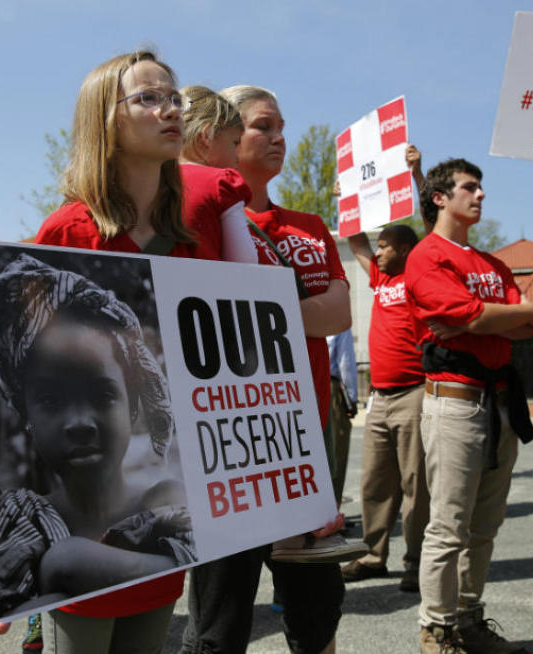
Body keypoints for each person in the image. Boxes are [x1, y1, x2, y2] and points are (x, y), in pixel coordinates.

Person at [0, 50, 199, 653]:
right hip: (83, 589)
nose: (170, 109)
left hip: (170, 567)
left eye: (175, 97)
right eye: (148, 97)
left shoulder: (196, 237)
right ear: (104, 119)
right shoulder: (67, 232)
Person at [181, 84, 356, 654]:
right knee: (221, 618)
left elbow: (339, 311)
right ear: (222, 133)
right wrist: (293, 312)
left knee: (316, 608)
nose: (279, 137)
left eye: (282, 125)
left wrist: (263, 312)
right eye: (262, 127)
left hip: (304, 433)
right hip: (229, 439)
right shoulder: (191, 215)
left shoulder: (307, 225)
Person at [0, 253, 197, 623]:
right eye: (51, 400)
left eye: (102, 395)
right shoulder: (18, 522)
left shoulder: (165, 504)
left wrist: (71, 561)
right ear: (25, 414)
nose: (80, 422)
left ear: (132, 407)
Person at [405, 159, 533, 654]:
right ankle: (435, 630)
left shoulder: (491, 262)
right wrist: (490, 316)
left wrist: (497, 317)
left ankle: (467, 620)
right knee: (448, 525)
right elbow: (463, 312)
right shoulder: (426, 256)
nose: (480, 195)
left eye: (481, 188)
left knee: (485, 525)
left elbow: (530, 322)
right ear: (439, 197)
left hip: (501, 403)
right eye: (469, 187)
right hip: (455, 402)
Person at [341, 221, 429, 594]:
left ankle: (417, 563)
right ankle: (373, 557)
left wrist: (416, 175)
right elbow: (357, 241)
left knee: (416, 485)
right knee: (374, 483)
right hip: (381, 396)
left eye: (387, 246)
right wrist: (349, 203)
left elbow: (433, 234)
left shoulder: (421, 278)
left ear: (408, 250)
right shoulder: (381, 279)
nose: (378, 251)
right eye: (379, 245)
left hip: (415, 392)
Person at [178, 84, 256, 264]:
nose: (237, 156)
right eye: (234, 143)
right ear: (208, 135)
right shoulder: (222, 183)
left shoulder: (147, 179)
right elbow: (245, 262)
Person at [326, 328, 357, 505]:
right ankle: (332, 508)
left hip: (303, 385)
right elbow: (346, 362)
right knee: (336, 449)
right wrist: (352, 398)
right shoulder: (337, 322)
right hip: (330, 386)